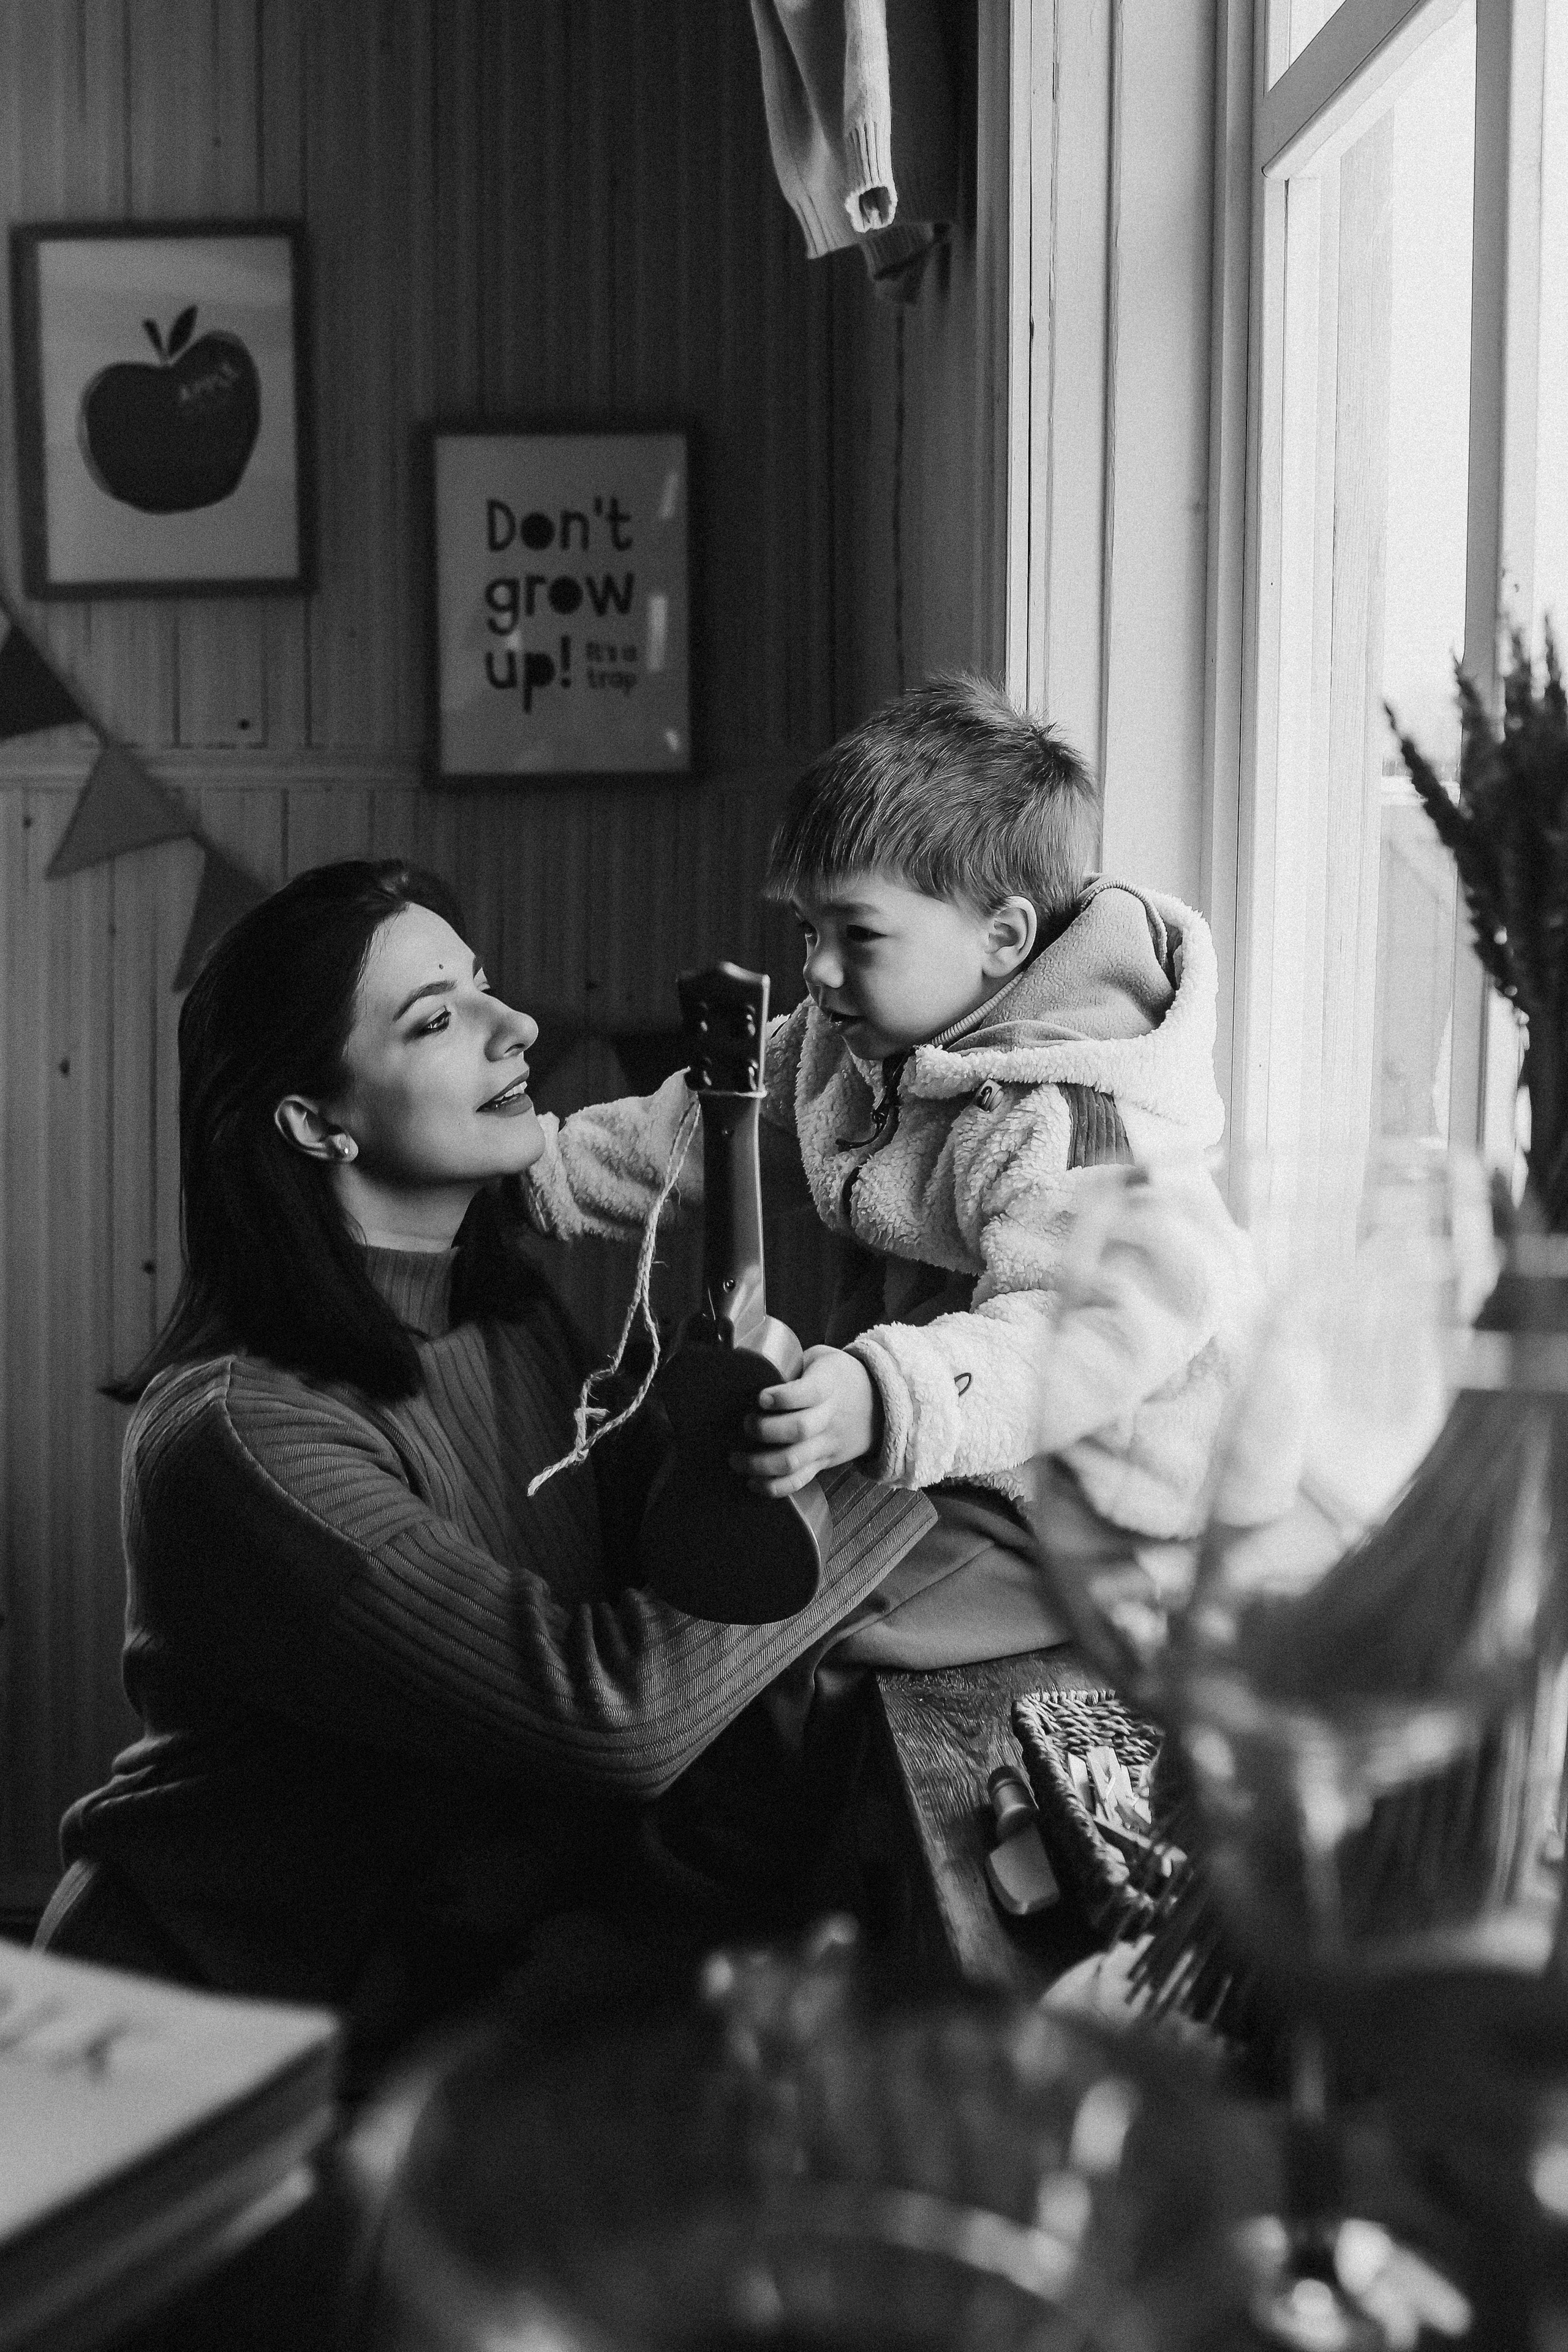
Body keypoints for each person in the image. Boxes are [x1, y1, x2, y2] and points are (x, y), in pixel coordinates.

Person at [35, 861, 934, 2062]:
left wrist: (800, 1409)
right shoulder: (243, 1436)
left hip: (436, 2009)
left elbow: (675, 1551)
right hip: (205, 2045)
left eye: (485, 986)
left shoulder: (507, 1323)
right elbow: (609, 1714)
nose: (512, 1027)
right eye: (435, 1017)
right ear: (313, 1121)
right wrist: (930, 1433)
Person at [522, 676, 1248, 1669]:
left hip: (1071, 1509)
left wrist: (883, 1393)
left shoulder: (1077, 1120)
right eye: (806, 932)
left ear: (1005, 936)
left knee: (778, 1640)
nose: (818, 970)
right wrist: (538, 1175)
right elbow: (699, 1129)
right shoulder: (845, 1038)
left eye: (856, 935)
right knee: (689, 1555)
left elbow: (1068, 1339)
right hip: (923, 1447)